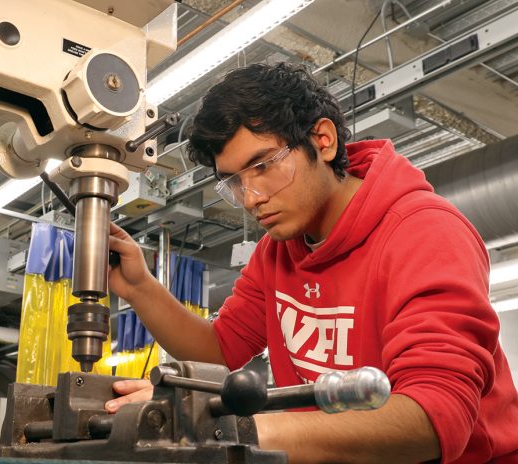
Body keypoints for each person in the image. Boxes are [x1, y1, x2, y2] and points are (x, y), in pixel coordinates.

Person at [105, 62, 518, 463]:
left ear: (323, 140)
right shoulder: (276, 252)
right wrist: (139, 287)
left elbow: (433, 418)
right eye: (233, 182)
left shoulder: (425, 232)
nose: (251, 198)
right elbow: (222, 350)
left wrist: (232, 431)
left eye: (263, 166)